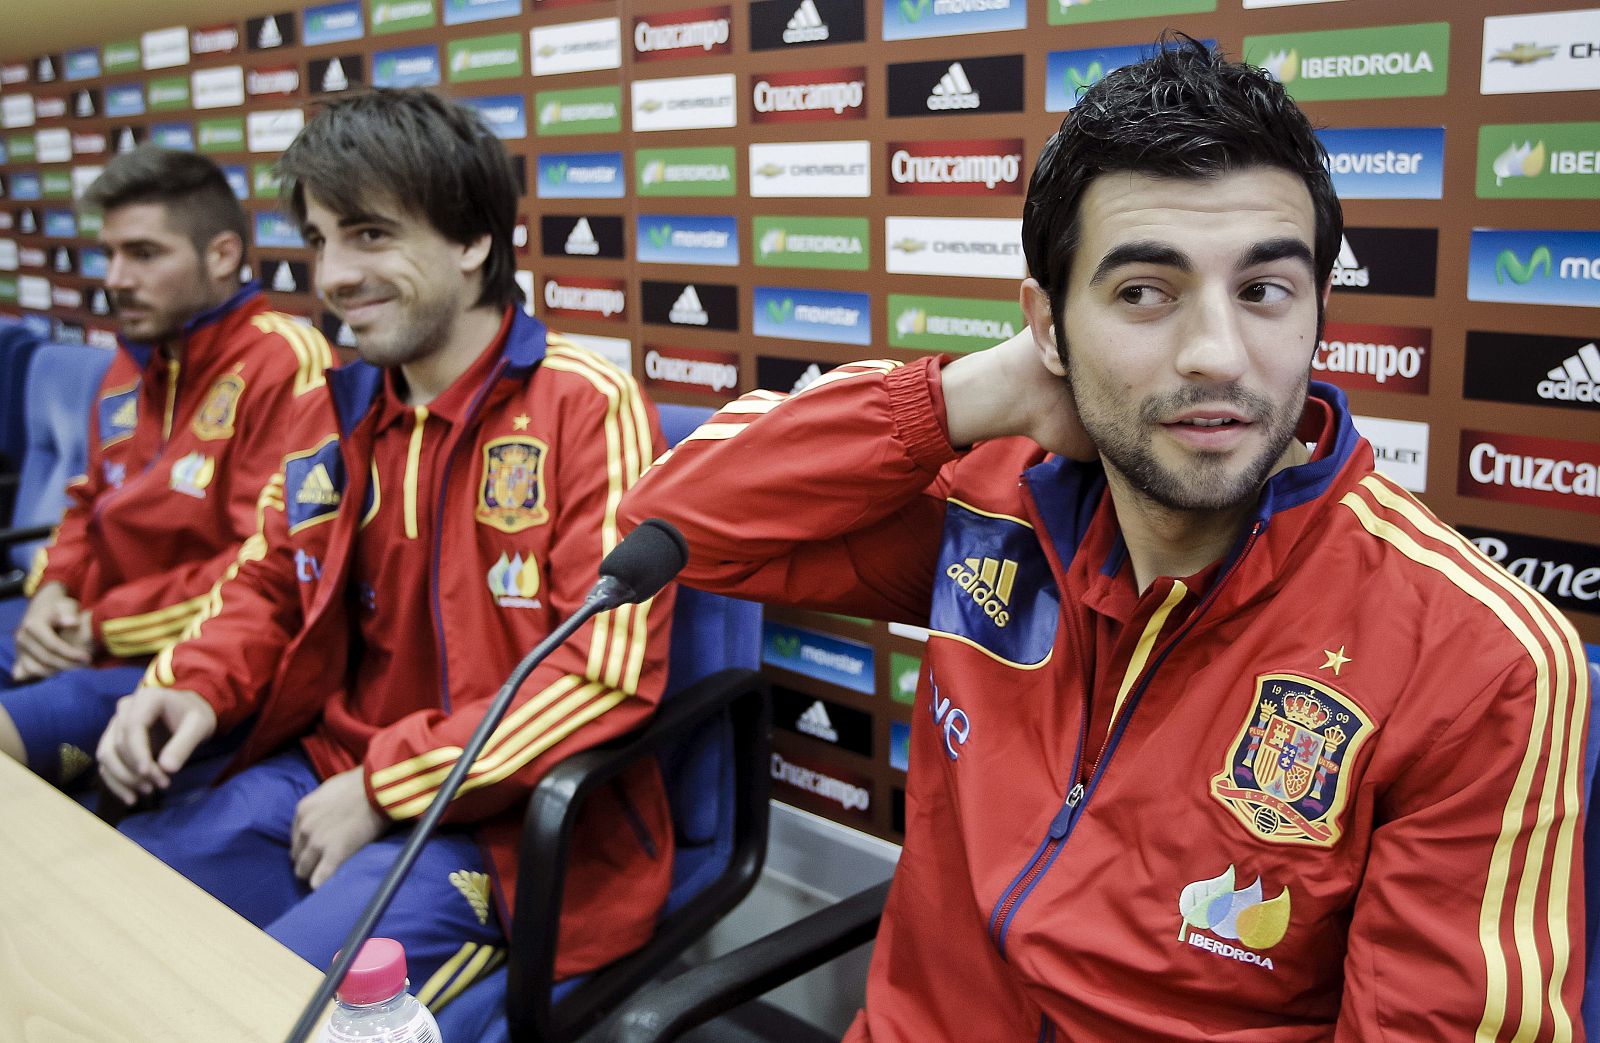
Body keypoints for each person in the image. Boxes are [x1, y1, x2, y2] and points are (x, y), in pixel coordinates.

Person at [621, 39, 1590, 1041]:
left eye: (1263, 291)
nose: (1216, 353)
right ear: (1047, 325)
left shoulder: (1480, 660)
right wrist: (965, 393)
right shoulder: (992, 509)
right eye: (1143, 292)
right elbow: (679, 516)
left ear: (1318, 316)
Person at [95, 89, 674, 1010]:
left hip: (500, 830)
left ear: (473, 241)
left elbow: (597, 676)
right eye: (321, 239)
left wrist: (386, 784)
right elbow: (272, 579)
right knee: (104, 914)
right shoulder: (338, 399)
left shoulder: (586, 403)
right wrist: (189, 680)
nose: (333, 274)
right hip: (322, 770)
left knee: (258, 1007)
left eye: (369, 234)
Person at [0, 146, 331, 788]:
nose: (117, 277)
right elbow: (85, 500)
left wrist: (100, 625)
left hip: (182, 655)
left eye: (144, 254)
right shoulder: (136, 353)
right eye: (111, 254)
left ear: (223, 255)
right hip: (77, 628)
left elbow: (262, 564)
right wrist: (52, 595)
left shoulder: (285, 361)